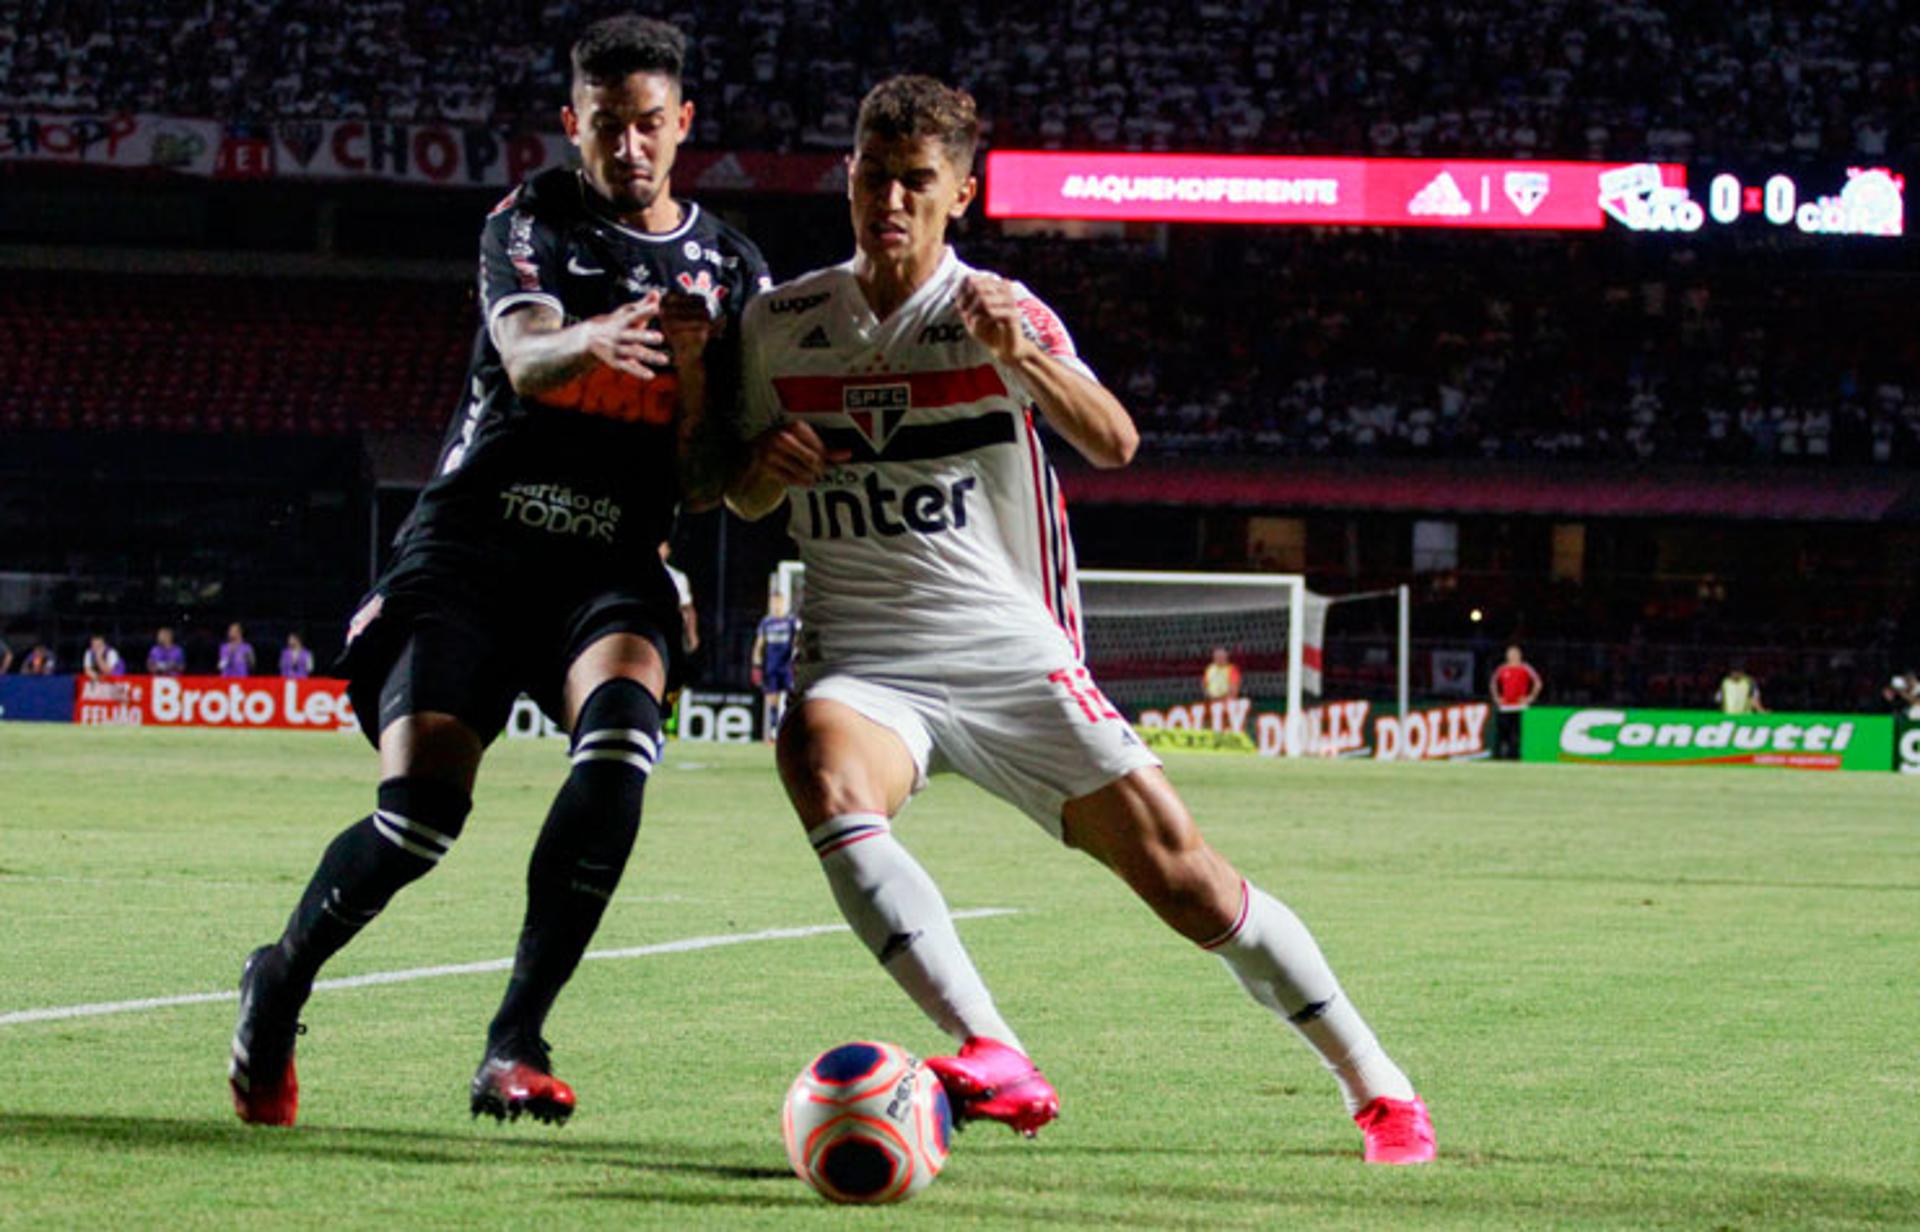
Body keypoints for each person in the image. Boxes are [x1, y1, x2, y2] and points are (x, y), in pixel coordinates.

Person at [721, 76, 1433, 1164]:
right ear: (849, 177)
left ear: (961, 192)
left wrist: (1026, 355)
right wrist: (762, 472)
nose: (891, 202)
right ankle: (993, 1045)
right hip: (865, 656)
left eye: (919, 182)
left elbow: (1113, 441)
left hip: (1009, 653)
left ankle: (1378, 1085)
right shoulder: (778, 326)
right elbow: (737, 490)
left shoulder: (998, 309)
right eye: (874, 176)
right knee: (817, 763)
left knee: (1188, 881)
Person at [227, 15, 768, 1131]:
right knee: (422, 813)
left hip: (612, 563)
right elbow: (524, 356)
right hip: (475, 550)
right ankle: (277, 981)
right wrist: (602, 336)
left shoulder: (735, 268)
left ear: (685, 128)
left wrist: (721, 398)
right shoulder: (530, 220)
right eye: (607, 126)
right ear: (574, 124)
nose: (629, 148)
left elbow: (709, 479)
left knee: (620, 756)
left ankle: (515, 1040)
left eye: (650, 126)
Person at [751, 589, 799, 741]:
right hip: (771, 666)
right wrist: (756, 666)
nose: (776, 605)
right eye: (773, 602)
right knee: (772, 700)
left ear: (784, 603)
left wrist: (797, 659)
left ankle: (792, 730)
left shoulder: (790, 621)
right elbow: (759, 645)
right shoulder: (766, 622)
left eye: (778, 602)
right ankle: (773, 731)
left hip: (787, 666)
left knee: (792, 699)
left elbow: (798, 641)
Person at [1489, 645, 1543, 760]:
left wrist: (1530, 697)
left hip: (1520, 707)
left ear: (1519, 655)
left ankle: (1515, 757)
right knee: (1503, 734)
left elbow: (1538, 683)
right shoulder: (1502, 668)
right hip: (1505, 707)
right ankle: (1500, 757)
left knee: (1517, 735)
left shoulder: (1525, 668)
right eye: (1510, 654)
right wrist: (1497, 697)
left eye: (1514, 654)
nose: (1512, 656)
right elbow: (1493, 683)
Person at [658, 542, 699, 657]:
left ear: (667, 551)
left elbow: (687, 607)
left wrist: (692, 633)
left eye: (661, 546)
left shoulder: (677, 577)